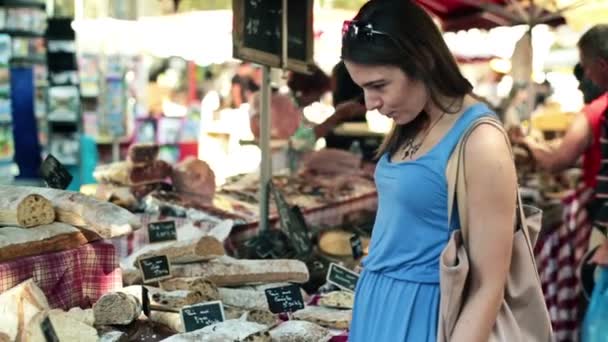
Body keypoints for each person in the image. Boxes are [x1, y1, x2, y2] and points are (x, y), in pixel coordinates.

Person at [341, 1, 517, 341]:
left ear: (422, 62)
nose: (369, 103)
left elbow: (489, 285)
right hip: (376, 307)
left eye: (379, 85)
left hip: (426, 317)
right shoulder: (412, 122)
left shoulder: (481, 140)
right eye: (362, 87)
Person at [515, 64, 607, 189]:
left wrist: (528, 142)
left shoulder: (594, 112)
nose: (579, 87)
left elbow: (554, 163)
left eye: (584, 78)